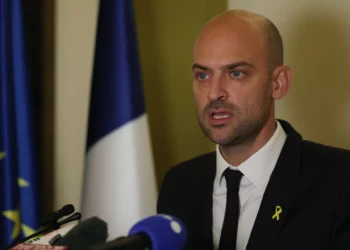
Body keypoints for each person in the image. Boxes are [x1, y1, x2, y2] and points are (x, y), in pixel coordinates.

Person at [157, 9, 350, 250]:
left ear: (278, 83)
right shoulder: (179, 185)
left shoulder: (341, 181)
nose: (214, 92)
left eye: (236, 73)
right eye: (203, 75)